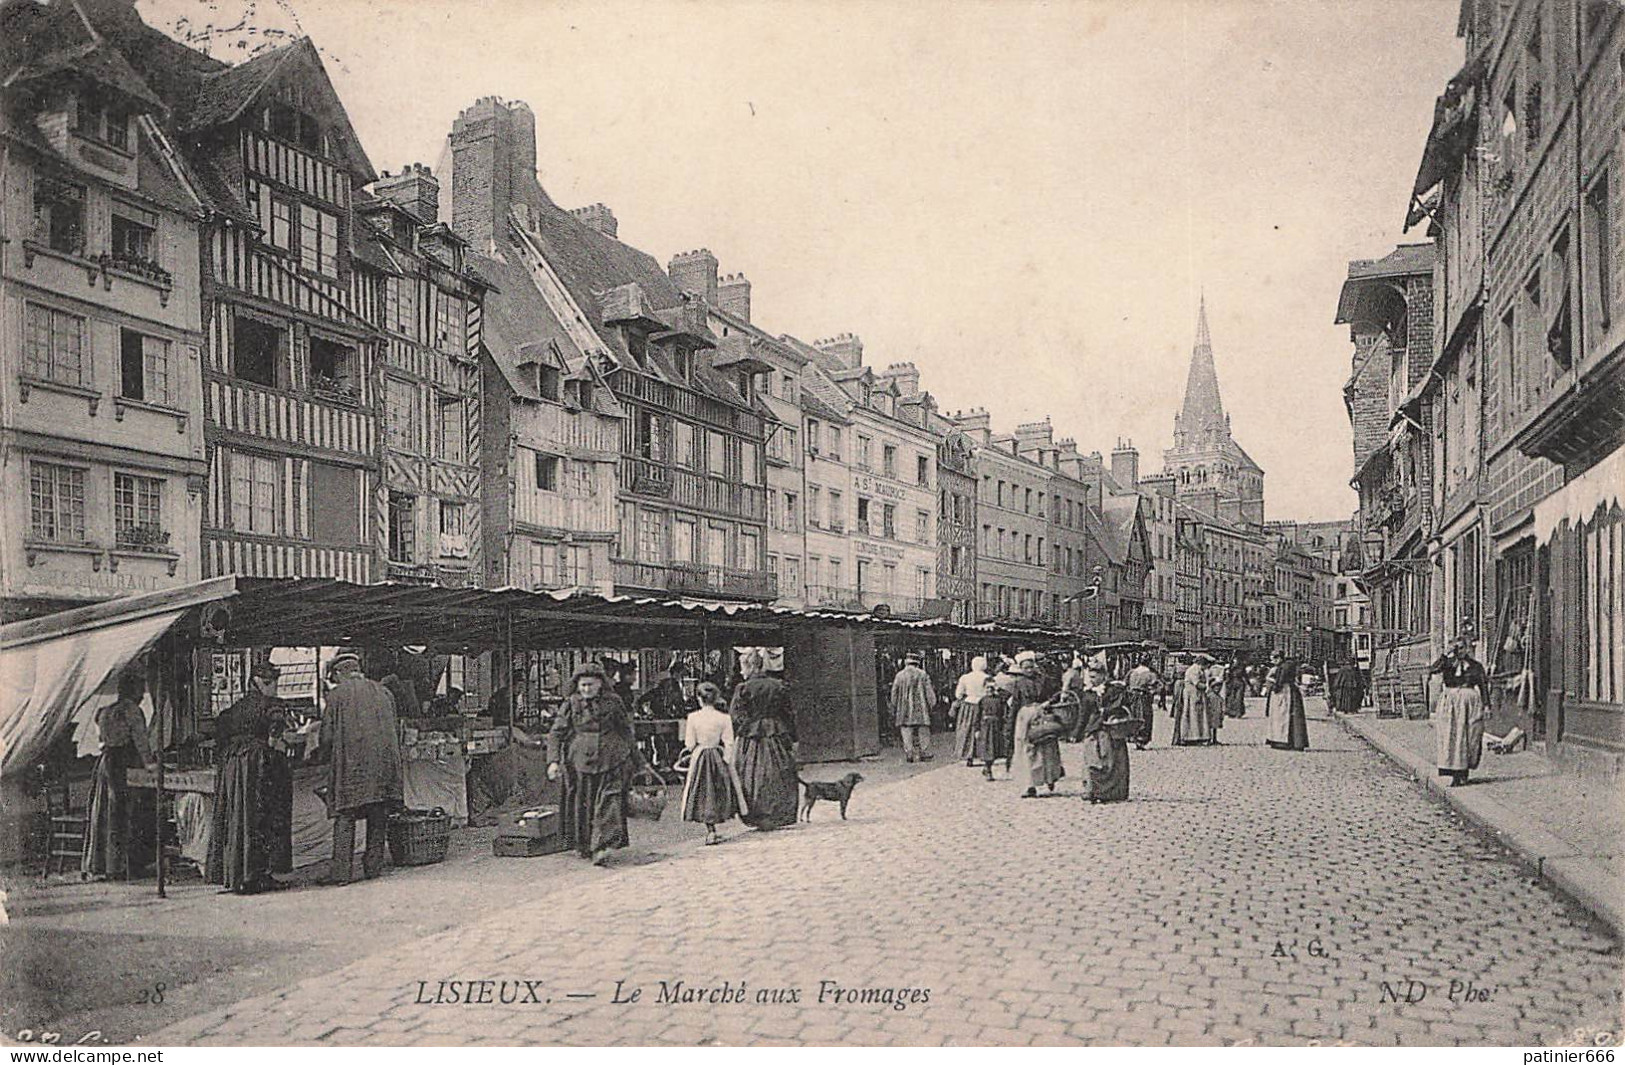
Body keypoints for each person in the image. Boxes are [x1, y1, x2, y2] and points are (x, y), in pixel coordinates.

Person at [207, 660, 293, 894]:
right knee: (261, 817)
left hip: (233, 766)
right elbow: (276, 733)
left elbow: (220, 734)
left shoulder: (235, 708)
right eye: (273, 683)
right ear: (264, 683)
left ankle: (238, 874)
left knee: (237, 818)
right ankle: (258, 875)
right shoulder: (272, 704)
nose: (275, 688)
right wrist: (278, 744)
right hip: (257, 764)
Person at [547, 662, 643, 863]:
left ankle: (603, 845)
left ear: (600, 683)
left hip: (611, 758)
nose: (586, 689)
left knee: (609, 802)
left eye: (590, 685)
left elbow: (625, 731)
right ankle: (583, 844)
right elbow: (556, 733)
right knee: (583, 804)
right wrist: (553, 761)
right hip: (580, 761)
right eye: (582, 685)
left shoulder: (614, 702)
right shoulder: (571, 704)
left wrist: (638, 760)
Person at [322, 653, 404, 884]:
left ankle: (341, 875)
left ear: (339, 673)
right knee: (378, 815)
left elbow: (326, 737)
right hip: (384, 768)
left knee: (345, 816)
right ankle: (373, 868)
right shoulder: (384, 692)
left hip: (353, 769)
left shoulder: (337, 695)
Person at [83, 669, 157, 880]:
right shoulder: (132, 710)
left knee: (105, 814)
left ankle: (104, 866)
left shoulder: (104, 711)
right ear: (131, 690)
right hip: (124, 765)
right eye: (140, 691)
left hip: (105, 764)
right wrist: (152, 766)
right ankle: (125, 866)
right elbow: (142, 743)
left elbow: (102, 741)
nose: (143, 695)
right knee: (126, 814)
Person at [729, 650, 799, 830]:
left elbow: (736, 716)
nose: (741, 672)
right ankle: (778, 813)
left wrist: (744, 730)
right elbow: (788, 714)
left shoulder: (743, 688)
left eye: (743, 668)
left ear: (751, 666)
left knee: (752, 775)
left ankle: (758, 814)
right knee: (779, 772)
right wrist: (793, 737)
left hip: (752, 737)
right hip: (776, 733)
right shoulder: (778, 685)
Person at [679, 682, 747, 846]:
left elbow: (689, 743)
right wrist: (726, 759)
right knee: (718, 790)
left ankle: (711, 830)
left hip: (701, 756)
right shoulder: (724, 718)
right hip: (717, 756)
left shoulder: (693, 717)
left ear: (698, 699)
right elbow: (729, 742)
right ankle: (717, 825)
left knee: (702, 791)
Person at [1429, 636, 1491, 786]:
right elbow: (1433, 669)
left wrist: (1487, 705)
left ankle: (1464, 771)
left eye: (1462, 647)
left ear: (1468, 648)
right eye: (1457, 648)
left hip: (1469, 704)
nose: (1459, 651)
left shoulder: (1475, 666)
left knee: (1468, 736)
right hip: (1450, 704)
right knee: (1450, 736)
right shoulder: (1447, 664)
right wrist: (1445, 655)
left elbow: (1483, 686)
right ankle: (1452, 773)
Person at [1077, 665, 1130, 803]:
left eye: (1094, 677)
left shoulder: (1114, 690)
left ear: (1103, 676)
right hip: (1093, 730)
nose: (1092, 680)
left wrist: (1107, 711)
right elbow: (1083, 714)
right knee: (1092, 761)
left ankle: (1112, 792)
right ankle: (1092, 789)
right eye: (1090, 676)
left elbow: (1122, 705)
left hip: (1111, 730)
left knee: (1110, 762)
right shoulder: (1088, 693)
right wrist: (1077, 731)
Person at [1011, 688, 1068, 798]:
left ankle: (1048, 778)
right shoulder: (1022, 690)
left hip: (1042, 715)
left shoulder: (1045, 682)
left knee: (1046, 755)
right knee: (1034, 756)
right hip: (1032, 716)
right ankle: (1032, 785)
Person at [890, 653, 938, 763]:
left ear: (906, 662)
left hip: (904, 707)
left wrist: (894, 705)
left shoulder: (899, 675)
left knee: (906, 730)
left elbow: (894, 692)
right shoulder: (923, 674)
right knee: (923, 730)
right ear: (917, 663)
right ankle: (924, 752)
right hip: (921, 707)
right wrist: (932, 704)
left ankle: (909, 753)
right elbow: (929, 691)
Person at [1265, 650, 1310, 751]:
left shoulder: (1284, 667)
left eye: (1273, 660)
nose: (1273, 662)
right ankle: (1293, 741)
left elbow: (1280, 681)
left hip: (1286, 693)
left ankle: (1283, 741)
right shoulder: (1287, 665)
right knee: (1291, 717)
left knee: (1283, 715)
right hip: (1291, 691)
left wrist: (1273, 684)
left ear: (1279, 658)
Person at [952, 656, 992, 765]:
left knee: (966, 729)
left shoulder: (965, 678)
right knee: (982, 729)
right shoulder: (988, 678)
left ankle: (967, 755)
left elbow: (958, 694)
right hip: (983, 704)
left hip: (968, 705)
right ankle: (982, 754)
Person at [969, 686, 1011, 780]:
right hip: (985, 727)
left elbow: (1005, 713)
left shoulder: (1000, 700)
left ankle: (987, 767)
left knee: (995, 749)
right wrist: (977, 729)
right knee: (987, 748)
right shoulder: (982, 701)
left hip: (996, 726)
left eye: (991, 688)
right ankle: (988, 770)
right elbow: (977, 715)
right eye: (987, 689)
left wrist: (1004, 726)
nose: (989, 691)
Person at [1173, 655, 1213, 746]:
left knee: (1196, 715)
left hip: (1195, 694)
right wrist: (1208, 687)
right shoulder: (1194, 670)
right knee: (1192, 715)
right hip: (1192, 694)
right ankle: (1191, 737)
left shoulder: (1197, 669)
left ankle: (1197, 736)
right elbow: (1197, 683)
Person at [1125, 655, 1159, 749]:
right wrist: (1152, 692)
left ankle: (1134, 738)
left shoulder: (1132, 672)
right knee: (1145, 717)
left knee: (1134, 716)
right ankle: (1142, 739)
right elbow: (1156, 686)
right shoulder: (1149, 674)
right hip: (1143, 697)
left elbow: (1125, 683)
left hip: (1132, 697)